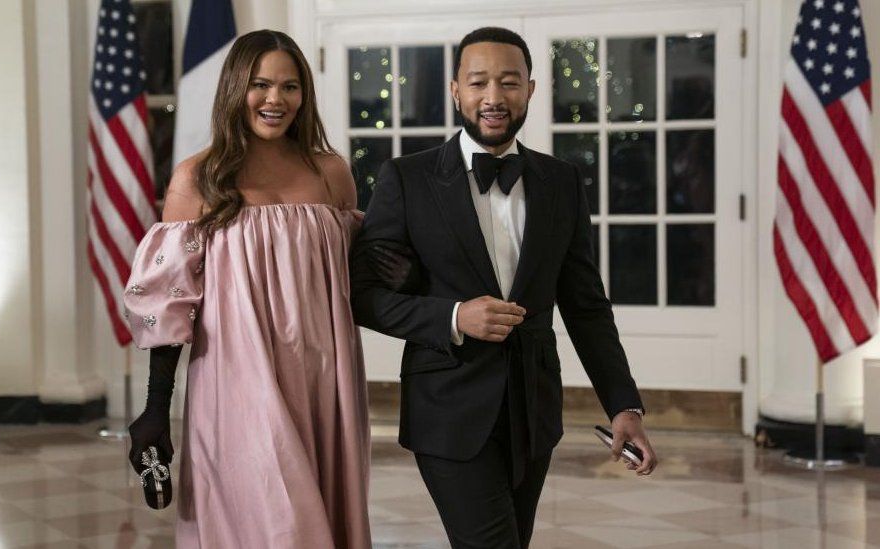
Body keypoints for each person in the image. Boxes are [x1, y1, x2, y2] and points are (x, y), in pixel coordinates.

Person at [351, 27, 658, 548]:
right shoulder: (407, 179)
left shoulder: (561, 182)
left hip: (533, 412)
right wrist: (452, 318)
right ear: (456, 90)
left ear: (531, 90)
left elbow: (585, 306)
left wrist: (623, 404)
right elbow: (365, 296)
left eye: (509, 82)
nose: (494, 97)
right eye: (478, 83)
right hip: (447, 408)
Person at [122, 29, 371, 549]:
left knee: (319, 511)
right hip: (234, 382)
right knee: (272, 520)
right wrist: (154, 408)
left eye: (290, 86)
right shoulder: (199, 178)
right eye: (260, 85)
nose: (275, 100)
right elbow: (170, 303)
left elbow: (360, 276)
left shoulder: (331, 174)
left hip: (325, 380)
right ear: (235, 89)